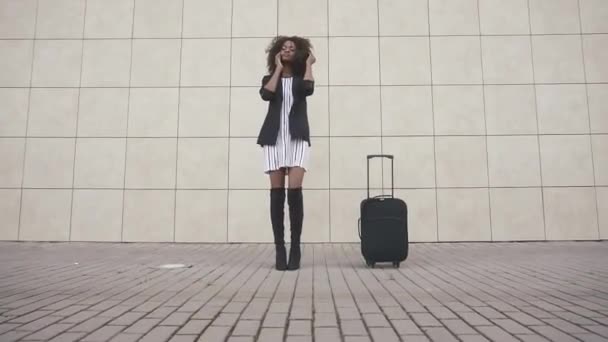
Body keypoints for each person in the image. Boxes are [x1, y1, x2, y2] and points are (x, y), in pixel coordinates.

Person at [257, 36, 316, 271]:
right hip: (273, 139)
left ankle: (296, 249)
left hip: (297, 139)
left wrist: (310, 64)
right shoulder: (269, 78)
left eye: (292, 48)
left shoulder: (302, 79)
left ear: (299, 52)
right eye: (284, 48)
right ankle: (280, 250)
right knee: (276, 194)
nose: (288, 50)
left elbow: (309, 89)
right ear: (277, 53)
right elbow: (266, 94)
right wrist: (278, 70)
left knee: (294, 193)